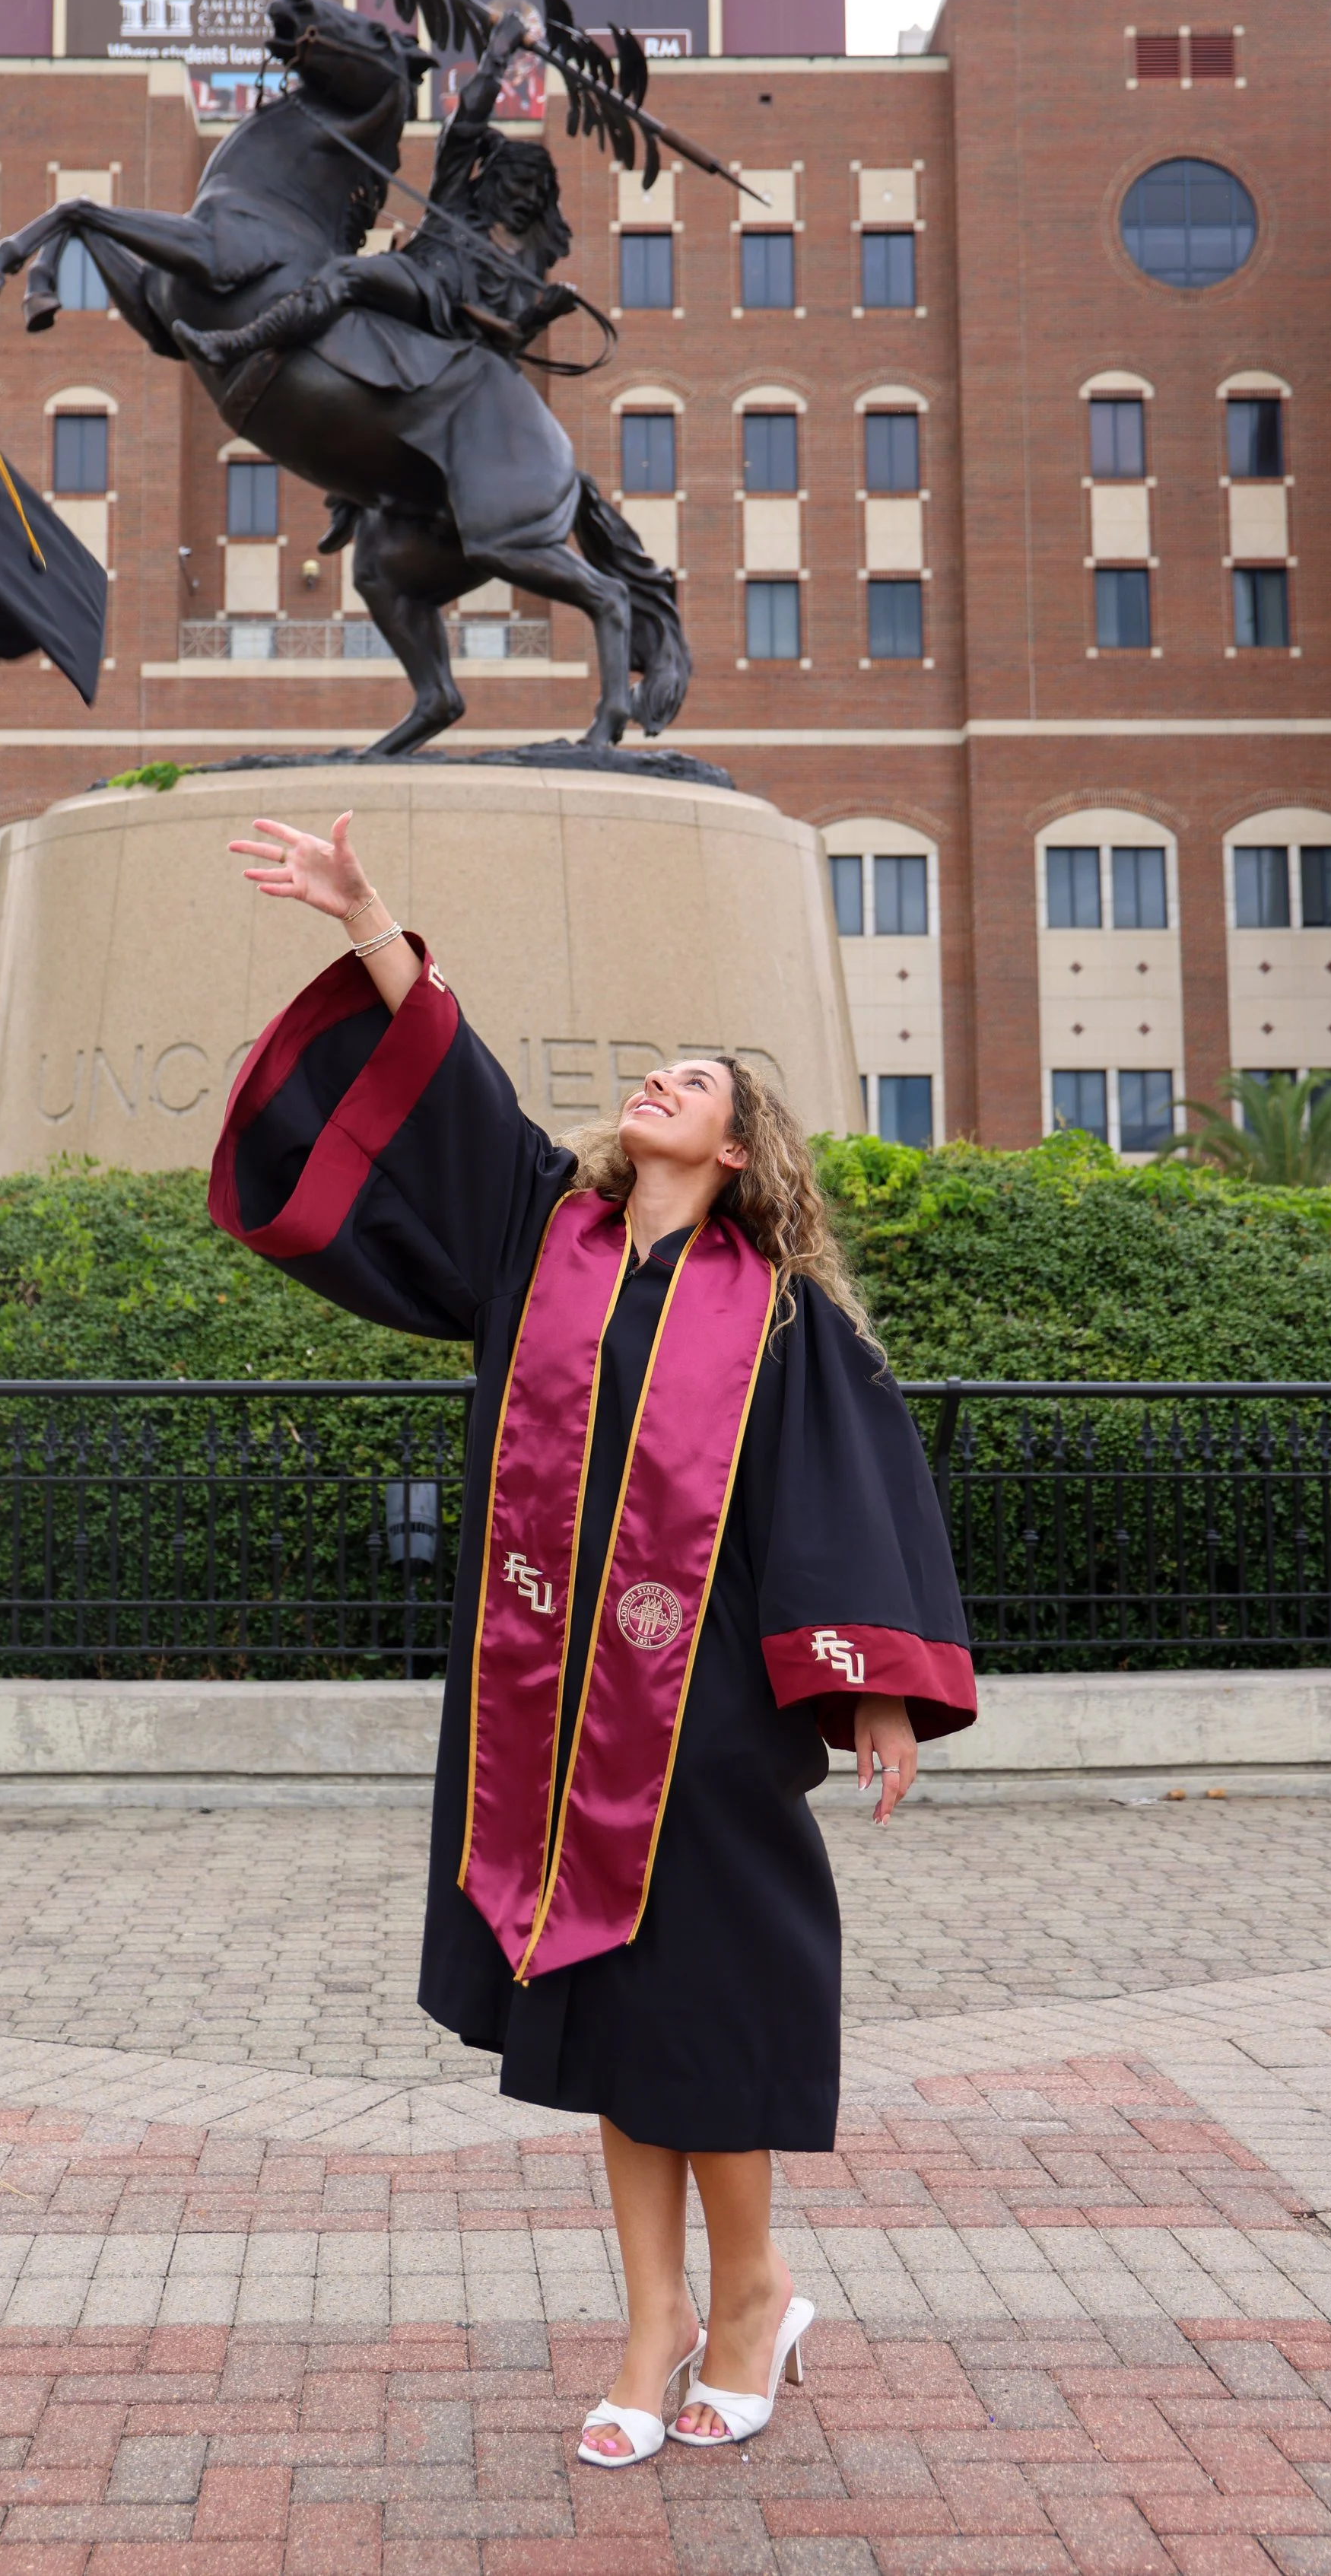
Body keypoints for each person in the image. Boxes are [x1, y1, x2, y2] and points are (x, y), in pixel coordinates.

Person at [208, 811, 976, 2467]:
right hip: (545, 1704)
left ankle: (752, 2291)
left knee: (699, 2013)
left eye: (692, 1079)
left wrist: (879, 1701)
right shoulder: (534, 1237)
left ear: (739, 1141)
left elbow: (839, 1499)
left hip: (698, 1717)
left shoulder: (771, 1308)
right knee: (611, 2019)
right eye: (650, 1071)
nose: (658, 1083)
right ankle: (647, 2325)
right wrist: (367, 914)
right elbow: (447, 1074)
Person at [174, 11, 579, 379]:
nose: (527, 199)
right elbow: (465, 123)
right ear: (492, 179)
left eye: (537, 194)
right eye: (520, 185)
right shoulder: (456, 201)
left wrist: (542, 314)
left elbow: (506, 342)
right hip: (417, 285)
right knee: (343, 274)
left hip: (454, 339)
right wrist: (497, 55)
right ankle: (239, 344)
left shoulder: (523, 265)